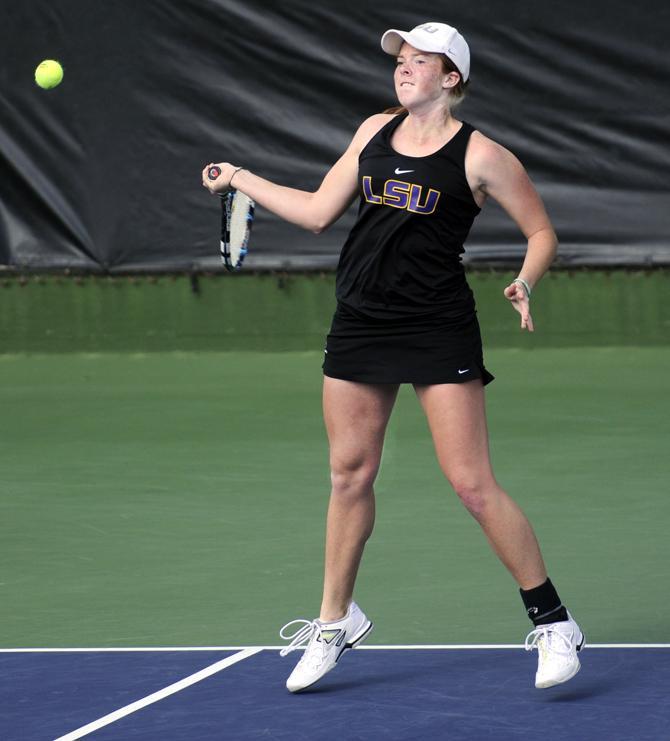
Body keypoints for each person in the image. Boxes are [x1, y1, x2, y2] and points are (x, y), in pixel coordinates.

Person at [202, 21, 585, 694]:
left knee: (471, 482)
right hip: (361, 321)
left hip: (438, 326)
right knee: (348, 472)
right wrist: (242, 176)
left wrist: (527, 278)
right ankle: (334, 619)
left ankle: (554, 622)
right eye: (400, 60)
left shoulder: (482, 155)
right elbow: (320, 211)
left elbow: (541, 228)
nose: (404, 68)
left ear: (452, 78)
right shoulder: (371, 132)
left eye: (419, 61)